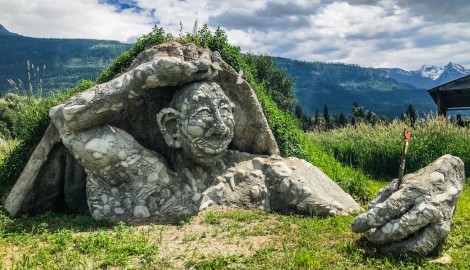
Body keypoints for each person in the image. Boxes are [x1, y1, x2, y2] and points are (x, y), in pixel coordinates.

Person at [49, 42, 359, 221]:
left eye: (226, 113)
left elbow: (320, 192)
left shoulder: (253, 171)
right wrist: (143, 77)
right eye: (203, 114)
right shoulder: (145, 174)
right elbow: (66, 122)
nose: (220, 126)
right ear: (172, 127)